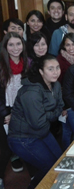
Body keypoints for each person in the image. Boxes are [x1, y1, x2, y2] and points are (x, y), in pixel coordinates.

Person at [7, 54, 64, 189]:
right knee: (51, 167)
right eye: (50, 69)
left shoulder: (56, 85)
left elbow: (60, 106)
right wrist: (51, 115)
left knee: (61, 163)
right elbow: (39, 123)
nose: (55, 72)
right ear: (41, 71)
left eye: (57, 67)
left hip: (42, 132)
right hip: (23, 138)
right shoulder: (31, 91)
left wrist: (46, 114)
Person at [0, 32, 28, 175]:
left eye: (18, 44)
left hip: (23, 108)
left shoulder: (28, 63)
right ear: (5, 47)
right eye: (11, 44)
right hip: (4, 110)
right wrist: (6, 113)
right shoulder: (1, 65)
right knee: (3, 148)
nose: (15, 48)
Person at [56, 33, 74, 150]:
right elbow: (57, 86)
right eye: (68, 45)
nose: (71, 48)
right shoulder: (59, 61)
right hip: (65, 103)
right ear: (63, 46)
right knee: (67, 131)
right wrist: (63, 107)